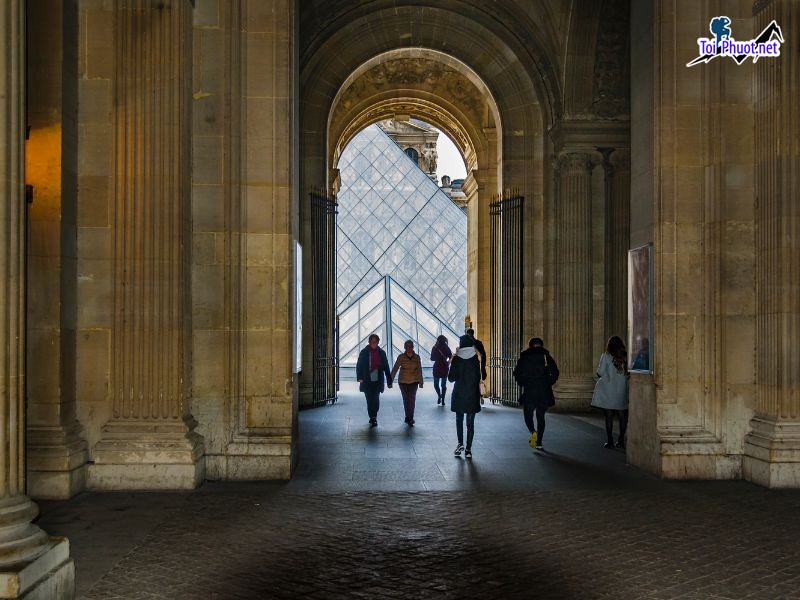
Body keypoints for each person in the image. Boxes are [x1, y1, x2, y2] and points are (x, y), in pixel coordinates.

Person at [513, 337, 560, 450]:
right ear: (541, 345)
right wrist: (548, 382)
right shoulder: (546, 356)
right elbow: (555, 372)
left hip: (530, 390)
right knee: (541, 417)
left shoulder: (525, 357)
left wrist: (523, 383)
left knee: (528, 414)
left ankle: (533, 431)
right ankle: (539, 442)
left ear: (530, 345)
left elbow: (517, 372)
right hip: (543, 390)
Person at [591, 336, 630, 449]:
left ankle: (610, 441)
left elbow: (600, 372)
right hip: (622, 389)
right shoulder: (625, 357)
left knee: (609, 415)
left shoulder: (606, 356)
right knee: (622, 415)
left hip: (608, 390)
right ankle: (621, 440)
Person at [448, 335, 482, 459]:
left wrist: (453, 359)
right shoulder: (475, 359)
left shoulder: (457, 359)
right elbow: (478, 377)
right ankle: (468, 449)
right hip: (472, 394)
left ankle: (460, 444)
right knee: (470, 423)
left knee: (459, 420)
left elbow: (451, 378)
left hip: (459, 394)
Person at [356, 334, 392, 427]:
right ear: (369, 342)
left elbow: (386, 367)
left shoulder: (381, 353)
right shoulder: (364, 352)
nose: (374, 343)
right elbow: (359, 365)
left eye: (376, 341)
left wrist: (389, 380)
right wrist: (359, 377)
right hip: (366, 380)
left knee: (375, 400)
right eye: (372, 341)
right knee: (369, 400)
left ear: (378, 342)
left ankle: (374, 416)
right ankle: (372, 417)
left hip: (377, 380)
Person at [390, 340, 424, 426]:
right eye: (408, 346)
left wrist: (421, 382)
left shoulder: (417, 357)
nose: (409, 348)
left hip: (414, 381)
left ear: (413, 347)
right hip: (403, 382)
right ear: (405, 347)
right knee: (406, 399)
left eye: (411, 346)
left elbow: (419, 369)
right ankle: (407, 416)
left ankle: (410, 417)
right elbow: (395, 368)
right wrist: (390, 380)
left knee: (412, 399)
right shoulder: (401, 357)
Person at [430, 335, 452, 405]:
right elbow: (450, 356)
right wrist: (446, 360)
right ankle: (443, 400)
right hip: (444, 367)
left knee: (436, 384)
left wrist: (437, 357)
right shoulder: (446, 347)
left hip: (437, 367)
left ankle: (439, 395)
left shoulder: (435, 347)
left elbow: (432, 358)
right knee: (443, 385)